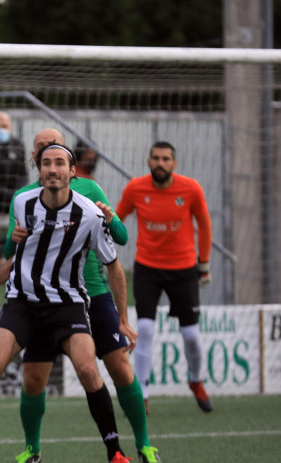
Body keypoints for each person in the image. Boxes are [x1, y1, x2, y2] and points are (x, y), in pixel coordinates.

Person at [0, 129, 160, 463]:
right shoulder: (23, 198)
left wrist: (124, 317)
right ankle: (32, 449)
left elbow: (119, 242)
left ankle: (143, 444)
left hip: (88, 292)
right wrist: (10, 244)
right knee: (33, 378)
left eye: (56, 156)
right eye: (41, 153)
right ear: (36, 161)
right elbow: (15, 250)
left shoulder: (89, 196)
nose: (48, 162)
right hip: (35, 300)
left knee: (118, 368)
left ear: (70, 166)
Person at [115, 140, 213, 415]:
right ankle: (142, 394)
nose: (160, 163)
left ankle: (196, 381)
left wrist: (203, 264)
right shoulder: (135, 188)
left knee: (191, 335)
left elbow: (204, 225)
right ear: (149, 162)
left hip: (183, 270)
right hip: (147, 268)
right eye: (156, 158)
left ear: (174, 163)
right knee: (144, 330)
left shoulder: (190, 188)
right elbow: (117, 219)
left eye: (166, 158)